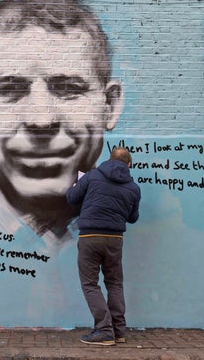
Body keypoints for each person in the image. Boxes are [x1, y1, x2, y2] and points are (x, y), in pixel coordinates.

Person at [0, 0, 124, 247]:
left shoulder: (158, 236)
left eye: (68, 89)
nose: (41, 119)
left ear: (109, 106)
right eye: (9, 90)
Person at [65, 146, 140, 346]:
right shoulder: (133, 188)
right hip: (115, 239)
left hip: (90, 236)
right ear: (129, 164)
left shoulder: (92, 177)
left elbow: (72, 199)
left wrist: (73, 186)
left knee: (90, 284)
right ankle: (119, 331)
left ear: (109, 159)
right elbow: (133, 218)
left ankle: (104, 330)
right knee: (114, 283)